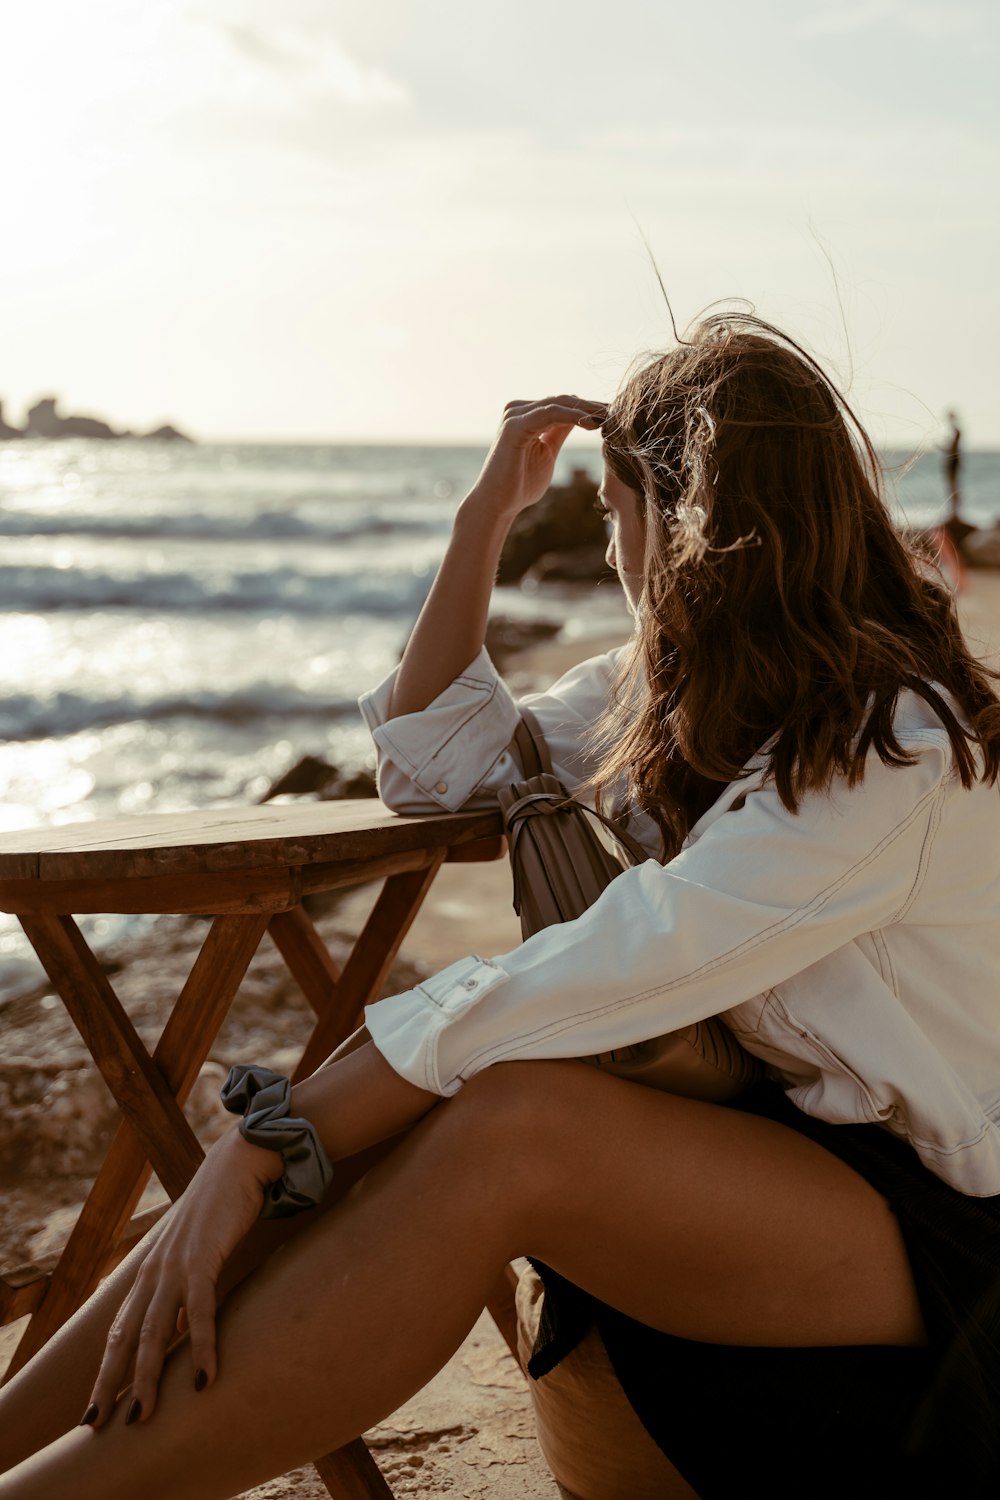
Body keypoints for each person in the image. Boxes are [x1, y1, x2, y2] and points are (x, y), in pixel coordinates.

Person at [3, 312, 1000, 1499]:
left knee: (505, 1119)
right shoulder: (674, 694)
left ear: (681, 527)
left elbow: (625, 957)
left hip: (943, 1228)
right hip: (792, 1164)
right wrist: (485, 519)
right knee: (423, 1112)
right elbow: (435, 763)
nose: (609, 542)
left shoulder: (889, 746)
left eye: (613, 510)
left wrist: (263, 1144)